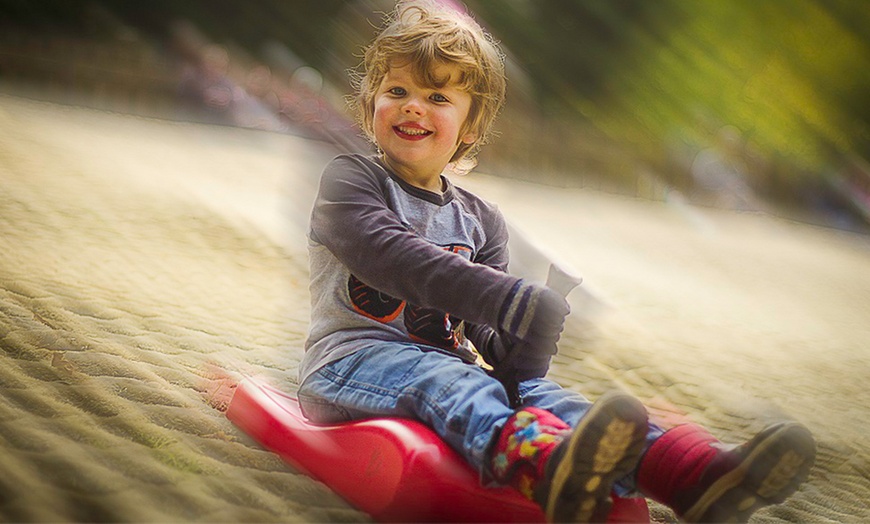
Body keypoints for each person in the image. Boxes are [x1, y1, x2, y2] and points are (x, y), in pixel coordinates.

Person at [296, 1, 816, 521]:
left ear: (471, 126)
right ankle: (542, 463)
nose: (412, 106)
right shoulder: (352, 182)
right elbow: (392, 257)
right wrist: (508, 299)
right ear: (370, 106)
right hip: (352, 363)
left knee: (546, 394)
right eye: (397, 92)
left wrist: (530, 337)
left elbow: (490, 342)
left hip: (443, 367)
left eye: (437, 96)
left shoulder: (481, 220)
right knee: (456, 381)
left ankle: (693, 476)